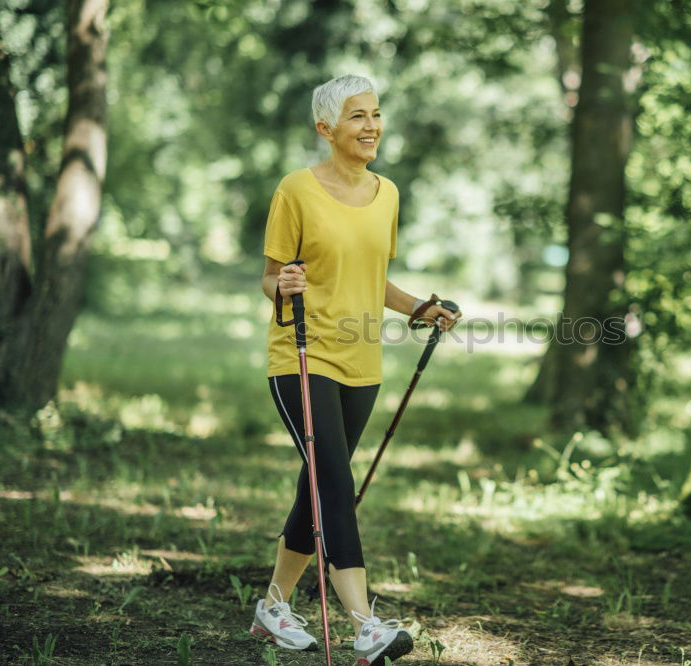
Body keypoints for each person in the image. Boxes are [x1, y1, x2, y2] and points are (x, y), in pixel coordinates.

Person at [249, 75, 461, 666]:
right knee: (335, 483)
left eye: (375, 114)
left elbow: (372, 278)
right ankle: (365, 626)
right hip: (302, 356)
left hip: (363, 360)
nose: (370, 126)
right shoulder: (295, 190)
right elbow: (271, 276)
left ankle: (272, 606)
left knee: (315, 487)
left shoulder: (387, 193)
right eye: (356, 117)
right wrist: (283, 284)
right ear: (326, 129)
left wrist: (420, 308)